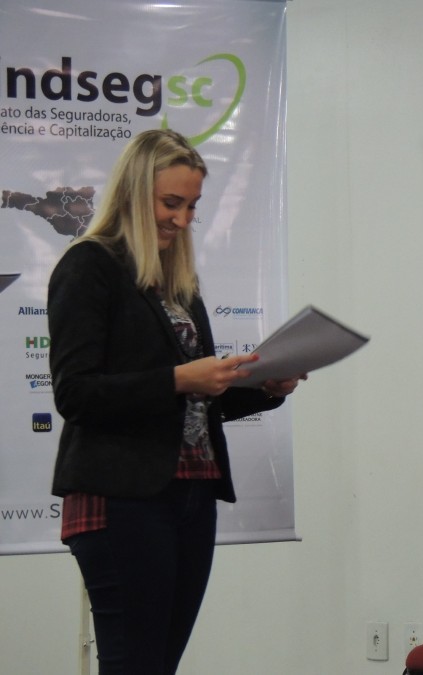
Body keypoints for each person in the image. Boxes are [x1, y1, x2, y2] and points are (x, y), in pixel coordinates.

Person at [47, 128, 303, 675]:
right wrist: (179, 379)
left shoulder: (178, 282)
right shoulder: (89, 265)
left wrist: (264, 386)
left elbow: (198, 402)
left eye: (192, 206)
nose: (182, 220)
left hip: (192, 494)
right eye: (171, 203)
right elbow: (76, 393)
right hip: (121, 497)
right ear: (132, 192)